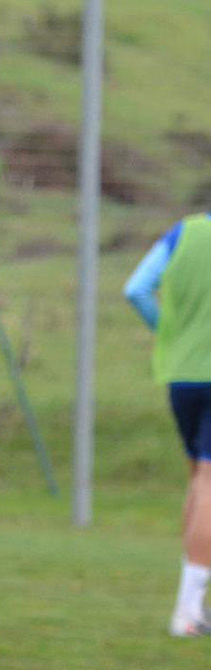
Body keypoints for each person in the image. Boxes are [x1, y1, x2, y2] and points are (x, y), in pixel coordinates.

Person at [125, 210, 211, 636]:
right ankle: (188, 613)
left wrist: (169, 335)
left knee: (199, 476)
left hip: (182, 377)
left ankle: (190, 606)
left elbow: (137, 289)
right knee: (210, 481)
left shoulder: (185, 232)